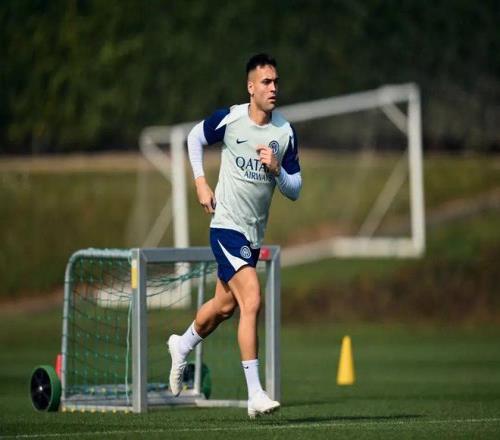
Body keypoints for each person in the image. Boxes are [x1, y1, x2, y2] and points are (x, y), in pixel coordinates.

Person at [167, 53, 302, 418]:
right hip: (226, 227)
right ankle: (255, 393)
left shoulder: (285, 132)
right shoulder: (231, 119)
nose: (273, 88)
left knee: (224, 307)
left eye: (276, 82)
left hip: (252, 237)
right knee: (252, 299)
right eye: (266, 82)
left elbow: (295, 189)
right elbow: (194, 137)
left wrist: (277, 169)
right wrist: (200, 182)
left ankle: (182, 344)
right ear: (250, 87)